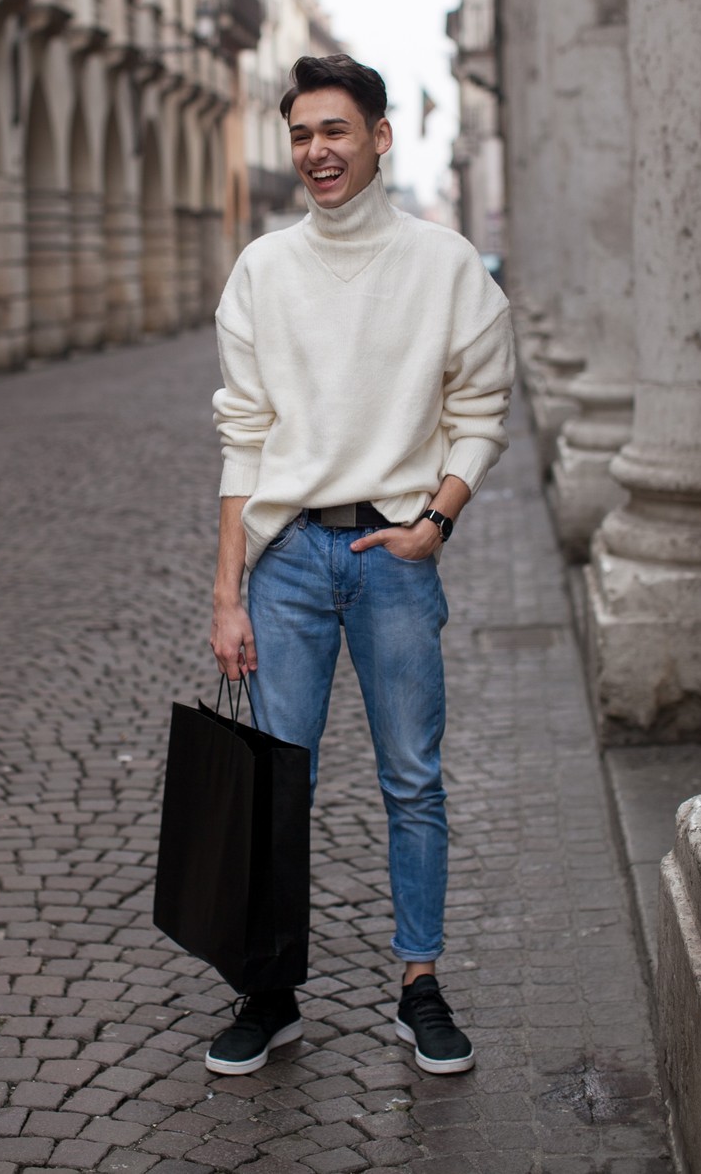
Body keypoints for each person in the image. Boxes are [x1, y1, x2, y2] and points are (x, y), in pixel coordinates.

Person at [207, 54, 515, 1078]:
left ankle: (419, 984)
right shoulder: (263, 271)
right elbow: (243, 440)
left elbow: (482, 410)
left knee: (412, 779)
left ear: (380, 137)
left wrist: (436, 522)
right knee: (275, 786)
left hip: (394, 554)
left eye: (334, 130)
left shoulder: (443, 264)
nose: (316, 151)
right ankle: (270, 991)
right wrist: (227, 594)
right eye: (300, 134)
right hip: (288, 559)